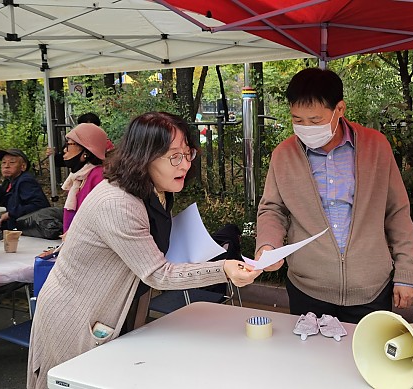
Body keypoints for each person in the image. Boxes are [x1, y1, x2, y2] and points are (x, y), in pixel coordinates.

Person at [27, 112, 262, 389]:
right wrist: (223, 268)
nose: (185, 164)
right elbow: (157, 274)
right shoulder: (117, 202)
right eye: (174, 156)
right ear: (144, 156)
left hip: (117, 306)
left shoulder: (156, 191)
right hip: (78, 313)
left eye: (188, 154)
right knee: (79, 379)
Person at [255, 68, 413, 324]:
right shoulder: (283, 154)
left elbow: (396, 211)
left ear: (339, 109)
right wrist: (268, 246)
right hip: (308, 287)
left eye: (315, 120)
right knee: (311, 361)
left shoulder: (376, 147)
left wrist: (406, 271)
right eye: (297, 120)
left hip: (371, 287)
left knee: (368, 360)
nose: (305, 128)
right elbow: (273, 209)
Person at [60, 122, 108, 233]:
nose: (64, 150)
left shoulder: (99, 177)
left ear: (86, 151)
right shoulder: (79, 177)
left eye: (69, 144)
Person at [0, 148, 50, 230]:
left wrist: (10, 214)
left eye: (12, 162)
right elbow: (3, 202)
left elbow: (39, 205)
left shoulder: (25, 181)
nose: (6, 166)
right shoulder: (8, 181)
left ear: (23, 166)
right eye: (3, 162)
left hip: (29, 230)